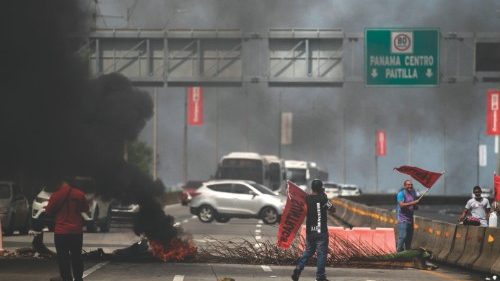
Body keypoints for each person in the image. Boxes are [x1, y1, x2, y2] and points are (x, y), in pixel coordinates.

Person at [45, 178, 89, 281]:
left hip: (61, 232)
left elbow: (48, 211)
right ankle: (78, 278)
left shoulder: (56, 195)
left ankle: (67, 278)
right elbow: (86, 209)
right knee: (77, 255)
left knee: (63, 257)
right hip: (76, 231)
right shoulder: (79, 194)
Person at [291, 179, 334, 281]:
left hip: (310, 231)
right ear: (321, 188)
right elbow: (333, 209)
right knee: (321, 254)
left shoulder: (307, 199)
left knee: (308, 252)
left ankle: (298, 269)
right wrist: (325, 196)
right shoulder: (323, 199)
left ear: (312, 188)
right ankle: (320, 277)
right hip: (321, 231)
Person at [396, 179, 420, 252]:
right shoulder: (401, 194)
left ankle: (407, 252)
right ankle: (398, 251)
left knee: (409, 238)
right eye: (408, 185)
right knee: (402, 237)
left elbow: (414, 206)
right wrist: (413, 203)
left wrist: (415, 205)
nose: (410, 186)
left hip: (410, 219)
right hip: (403, 219)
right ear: (404, 186)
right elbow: (401, 205)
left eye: (411, 185)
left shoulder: (413, 193)